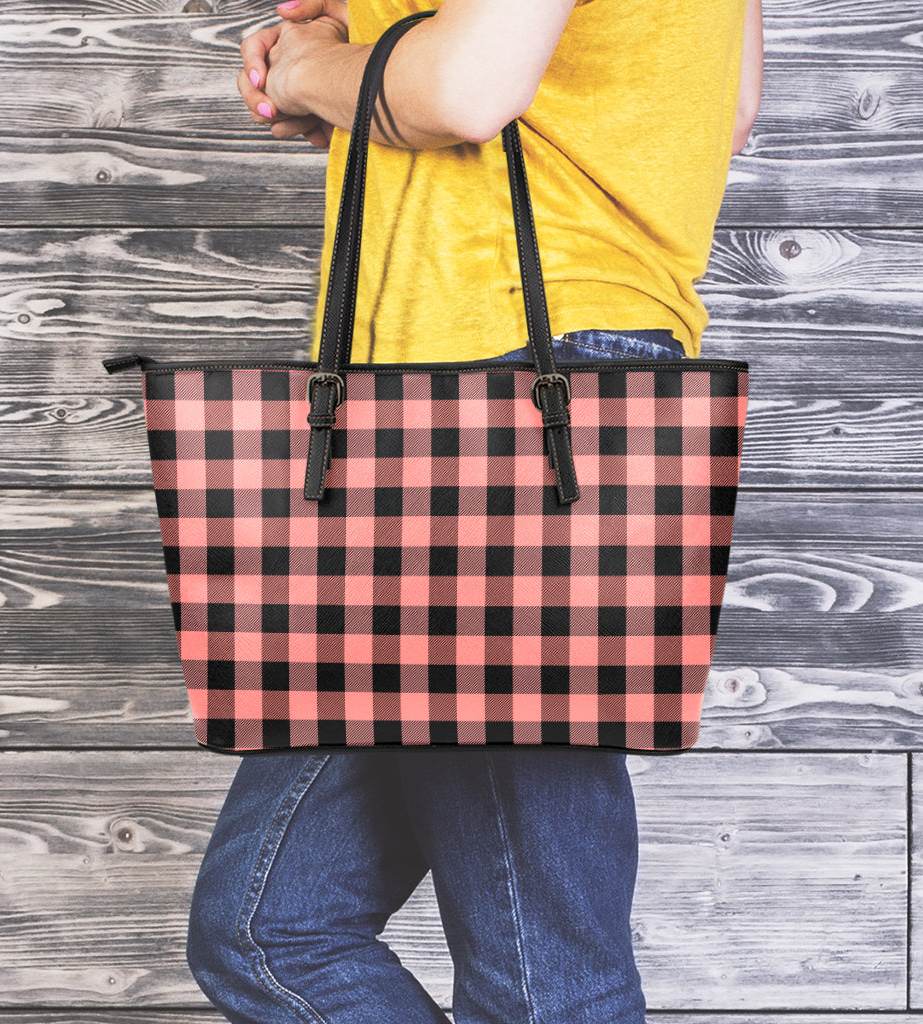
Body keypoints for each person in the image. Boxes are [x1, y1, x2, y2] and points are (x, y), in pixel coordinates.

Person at [185, 2, 763, 1023]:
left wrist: (313, 68)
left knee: (544, 979)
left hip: (503, 388)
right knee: (267, 927)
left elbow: (464, 90)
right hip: (453, 404)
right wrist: (362, 74)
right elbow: (719, 106)